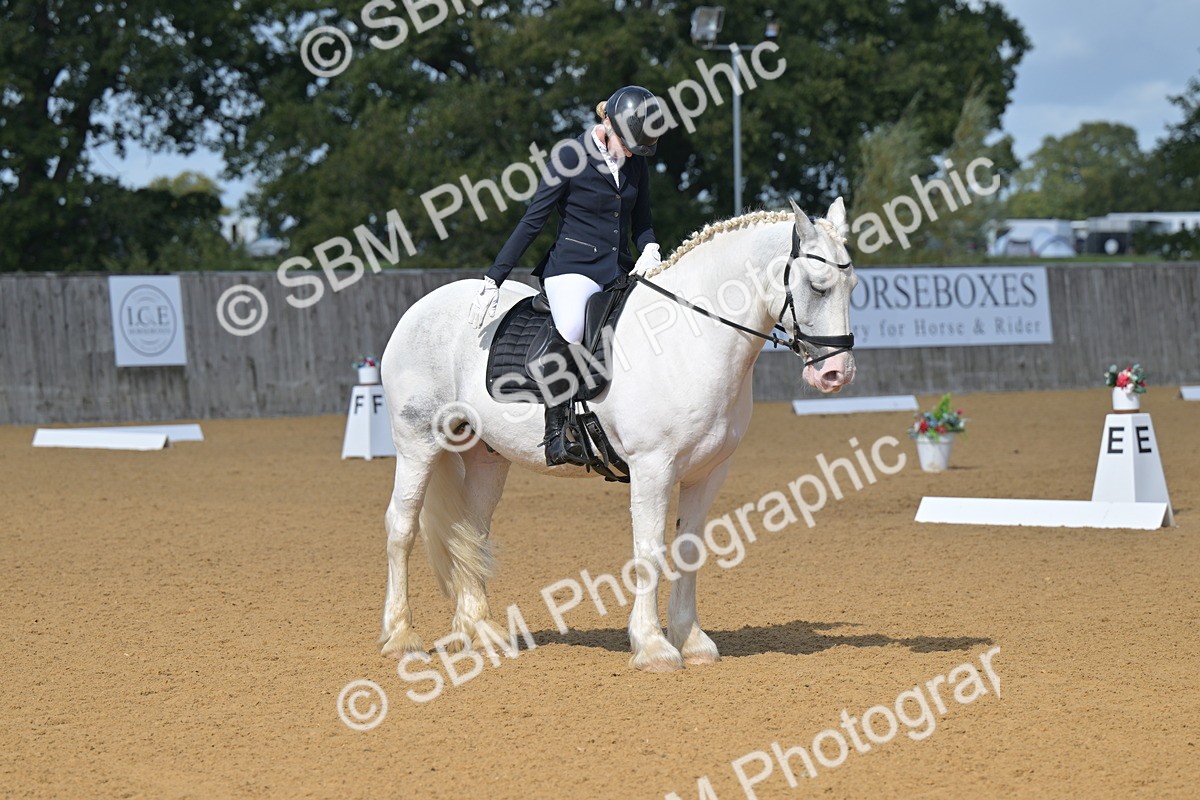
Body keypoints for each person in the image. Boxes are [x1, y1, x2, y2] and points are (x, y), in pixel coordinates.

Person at [467, 86, 664, 466]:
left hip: (618, 269)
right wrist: (495, 278)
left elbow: (643, 223)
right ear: (607, 124)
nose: (630, 154)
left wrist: (651, 247)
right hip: (573, 269)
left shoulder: (635, 160)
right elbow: (533, 220)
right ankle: (555, 432)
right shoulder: (570, 156)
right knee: (573, 327)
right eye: (627, 144)